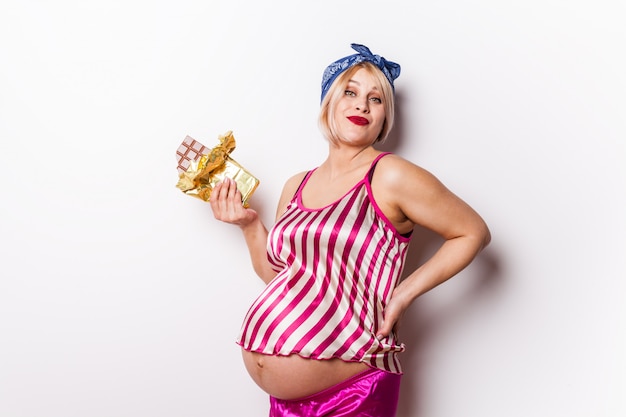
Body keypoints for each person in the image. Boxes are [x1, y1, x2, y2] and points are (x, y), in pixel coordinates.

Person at [209, 43, 491, 417]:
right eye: (350, 92)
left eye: (376, 99)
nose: (362, 105)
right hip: (284, 402)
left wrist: (403, 294)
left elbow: (472, 231)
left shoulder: (391, 175)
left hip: (352, 395)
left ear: (384, 116)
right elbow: (281, 277)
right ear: (328, 102)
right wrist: (249, 225)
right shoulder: (297, 184)